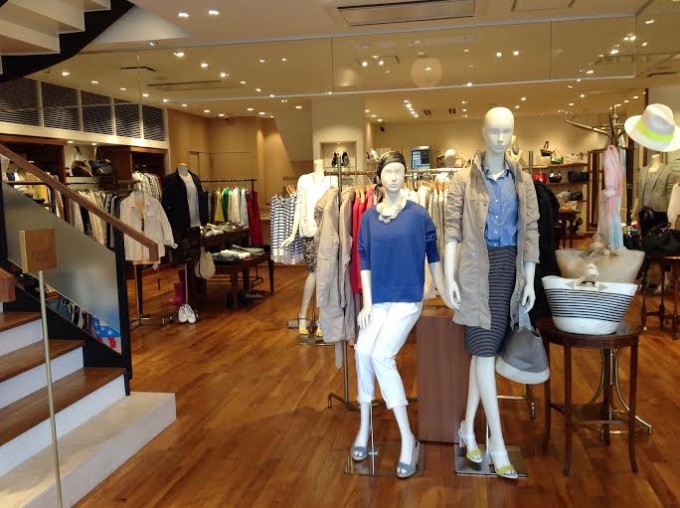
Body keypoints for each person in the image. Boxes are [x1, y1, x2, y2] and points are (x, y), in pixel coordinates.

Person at [444, 107, 540, 479]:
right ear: (483, 132)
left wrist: (529, 279)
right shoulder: (462, 180)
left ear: (513, 134)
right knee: (484, 354)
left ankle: (467, 429)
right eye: (494, 131)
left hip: (508, 272)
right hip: (474, 271)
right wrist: (450, 278)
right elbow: (452, 231)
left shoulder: (523, 181)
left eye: (507, 131)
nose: (501, 138)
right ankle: (497, 445)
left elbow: (530, 232)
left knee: (483, 356)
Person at [351, 151, 452, 479]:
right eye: (388, 171)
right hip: (378, 300)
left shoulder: (419, 214)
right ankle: (364, 425)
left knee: (381, 356)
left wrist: (445, 291)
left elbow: (433, 255)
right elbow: (364, 259)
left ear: (405, 175)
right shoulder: (369, 218)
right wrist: (367, 303)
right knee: (362, 351)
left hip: (407, 298)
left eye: (399, 171)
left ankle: (408, 439)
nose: (394, 177)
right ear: (379, 177)